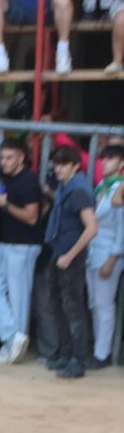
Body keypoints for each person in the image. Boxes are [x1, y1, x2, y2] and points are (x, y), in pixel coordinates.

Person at [0, 140, 44, 364]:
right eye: (3, 157)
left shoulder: (28, 181)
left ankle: (14, 348)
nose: (4, 161)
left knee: (18, 299)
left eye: (9, 157)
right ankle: (12, 338)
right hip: (6, 243)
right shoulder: (8, 180)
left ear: (21, 158)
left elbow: (32, 217)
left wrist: (4, 204)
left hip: (23, 245)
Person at [42, 146, 100, 377]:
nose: (58, 168)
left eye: (63, 164)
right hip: (62, 251)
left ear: (75, 166)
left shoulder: (77, 191)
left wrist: (69, 255)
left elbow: (92, 228)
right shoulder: (69, 187)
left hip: (69, 255)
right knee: (59, 304)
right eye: (56, 164)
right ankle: (67, 355)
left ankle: (77, 359)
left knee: (71, 307)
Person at [85, 144, 124, 367]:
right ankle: (99, 349)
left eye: (111, 159)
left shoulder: (119, 188)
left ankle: (102, 353)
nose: (105, 162)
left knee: (104, 304)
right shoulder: (102, 185)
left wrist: (113, 258)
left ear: (121, 164)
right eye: (104, 159)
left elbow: (121, 229)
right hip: (95, 249)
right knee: (95, 303)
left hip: (110, 252)